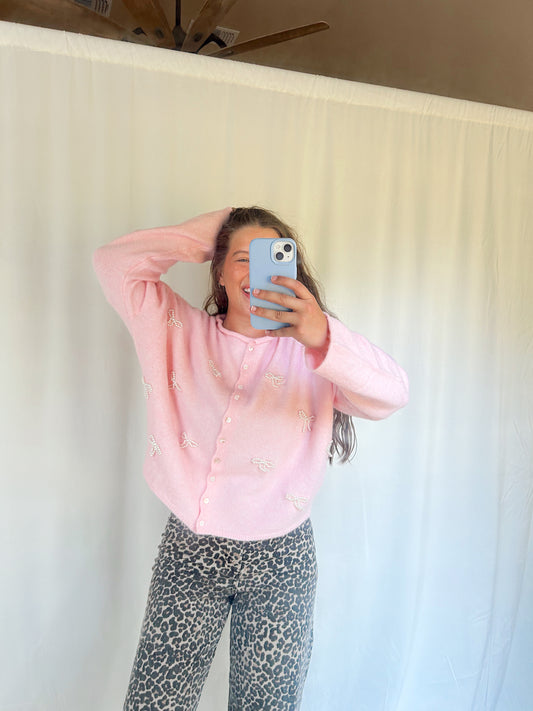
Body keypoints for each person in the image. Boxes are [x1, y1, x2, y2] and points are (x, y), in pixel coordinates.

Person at [93, 206, 409, 711]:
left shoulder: (315, 354)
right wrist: (214, 230)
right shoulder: (177, 329)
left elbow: (393, 394)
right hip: (190, 552)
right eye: (242, 258)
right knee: (155, 702)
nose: (255, 269)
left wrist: (320, 333)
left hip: (280, 559)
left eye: (271, 257)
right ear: (217, 270)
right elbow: (113, 263)